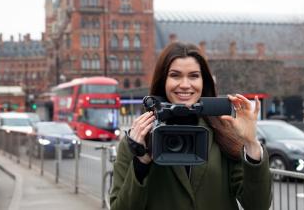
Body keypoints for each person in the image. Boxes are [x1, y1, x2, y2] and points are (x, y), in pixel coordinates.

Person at [110, 42, 272, 210]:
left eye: (194, 76)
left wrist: (251, 144)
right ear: (163, 80)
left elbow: (258, 206)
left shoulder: (225, 136)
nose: (185, 84)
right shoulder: (138, 140)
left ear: (204, 82)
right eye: (175, 75)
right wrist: (141, 162)